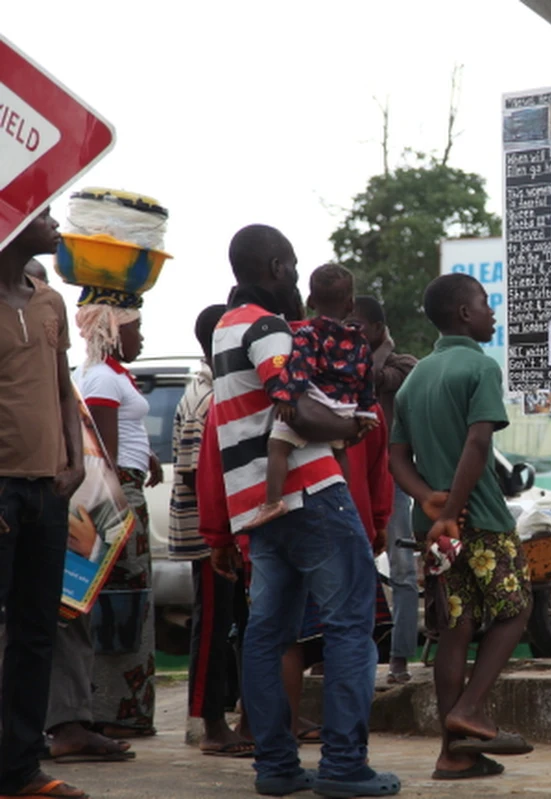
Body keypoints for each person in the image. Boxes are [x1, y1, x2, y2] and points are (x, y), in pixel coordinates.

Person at [209, 224, 397, 798]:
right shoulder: (268, 329)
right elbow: (291, 408)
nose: (297, 278)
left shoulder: (224, 328)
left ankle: (277, 767)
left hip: (258, 506)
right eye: (292, 266)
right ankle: (343, 766)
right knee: (349, 628)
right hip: (312, 491)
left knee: (267, 635)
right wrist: (352, 425)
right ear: (276, 269)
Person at [390, 273, 533, 782]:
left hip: (431, 529)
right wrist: (453, 506)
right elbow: (478, 445)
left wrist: (426, 499)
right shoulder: (479, 367)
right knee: (516, 610)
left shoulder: (415, 377)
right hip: (481, 519)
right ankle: (471, 708)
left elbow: (396, 457)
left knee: (455, 629)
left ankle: (453, 754)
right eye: (486, 303)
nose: (492, 313)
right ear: (464, 315)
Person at [21, 263, 134, 766]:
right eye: (32, 283)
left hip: (55, 493)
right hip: (23, 488)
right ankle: (54, 727)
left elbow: (69, 411)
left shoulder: (49, 336)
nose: (42, 293)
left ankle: (67, 723)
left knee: (65, 610)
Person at [0, 209, 88, 799]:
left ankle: (19, 769)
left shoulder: (50, 301)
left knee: (36, 633)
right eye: (43, 214)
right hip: (2, 487)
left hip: (49, 490)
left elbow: (63, 384)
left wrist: (76, 457)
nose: (55, 223)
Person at [73, 282, 164, 740]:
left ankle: (126, 708)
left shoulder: (112, 375)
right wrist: (119, 505)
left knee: (132, 598)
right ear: (114, 331)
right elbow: (101, 450)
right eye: (137, 329)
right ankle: (114, 709)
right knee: (121, 602)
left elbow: (121, 437)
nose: (142, 338)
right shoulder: (102, 379)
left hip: (128, 487)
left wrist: (145, 456)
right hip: (117, 496)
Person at [171, 303, 254, 757]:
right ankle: (211, 724)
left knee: (236, 621)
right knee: (212, 625)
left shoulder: (216, 390)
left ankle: (242, 714)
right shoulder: (208, 398)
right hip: (210, 536)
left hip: (223, 531)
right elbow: (193, 472)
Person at [246, 263, 377, 530]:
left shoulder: (308, 334)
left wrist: (286, 397)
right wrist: (366, 412)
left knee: (279, 446)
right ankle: (345, 500)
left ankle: (273, 502)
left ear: (310, 300)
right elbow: (367, 378)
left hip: (316, 403)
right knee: (340, 452)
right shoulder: (361, 342)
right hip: (345, 408)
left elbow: (300, 368)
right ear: (350, 305)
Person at [348, 295, 419, 684]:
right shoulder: (343, 361)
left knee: (404, 571)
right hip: (351, 479)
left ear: (377, 330)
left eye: (358, 327)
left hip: (393, 482)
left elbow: (376, 380)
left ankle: (400, 658)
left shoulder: (402, 365)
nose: (351, 333)